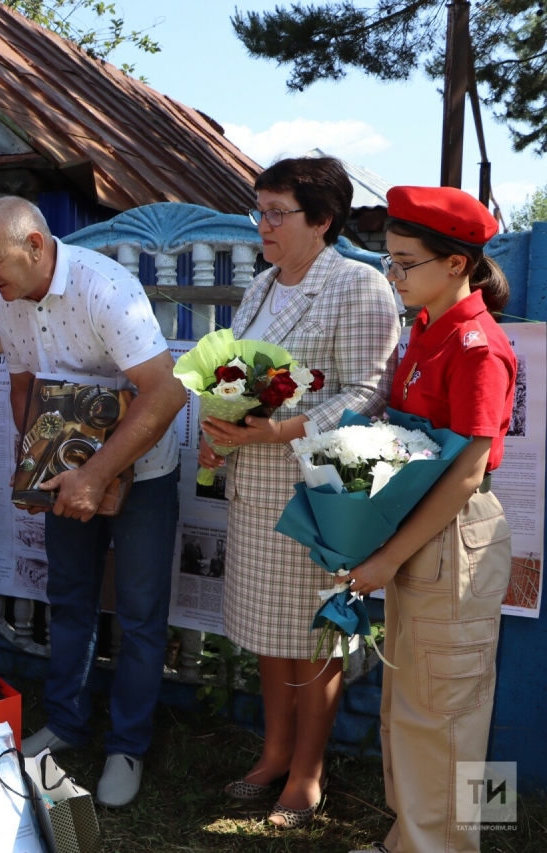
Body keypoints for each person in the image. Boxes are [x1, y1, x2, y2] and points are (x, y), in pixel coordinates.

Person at [199, 156, 400, 829]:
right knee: (269, 630)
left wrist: (277, 428)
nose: (263, 224)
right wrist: (218, 417)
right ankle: (275, 751)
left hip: (319, 493)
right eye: (259, 210)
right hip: (254, 486)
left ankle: (308, 773)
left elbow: (369, 391)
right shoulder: (260, 286)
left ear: (322, 219)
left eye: (276, 212)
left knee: (317, 639)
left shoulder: (361, 286)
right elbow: (236, 365)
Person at [0, 196, 187, 807]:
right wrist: (38, 464)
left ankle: (127, 746)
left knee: (141, 614)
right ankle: (66, 721)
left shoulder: (106, 287)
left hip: (143, 474)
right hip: (65, 477)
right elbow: (23, 386)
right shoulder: (5, 301)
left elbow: (165, 392)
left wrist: (96, 473)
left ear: (35, 245)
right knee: (69, 598)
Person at [346, 187, 515, 853]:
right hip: (426, 531)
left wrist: (387, 558)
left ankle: (445, 845)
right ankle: (412, 839)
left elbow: (467, 472)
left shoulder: (476, 346)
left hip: (455, 532)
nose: (395, 276)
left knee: (449, 708)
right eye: (390, 261)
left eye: (405, 263)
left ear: (455, 264)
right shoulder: (426, 330)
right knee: (416, 701)